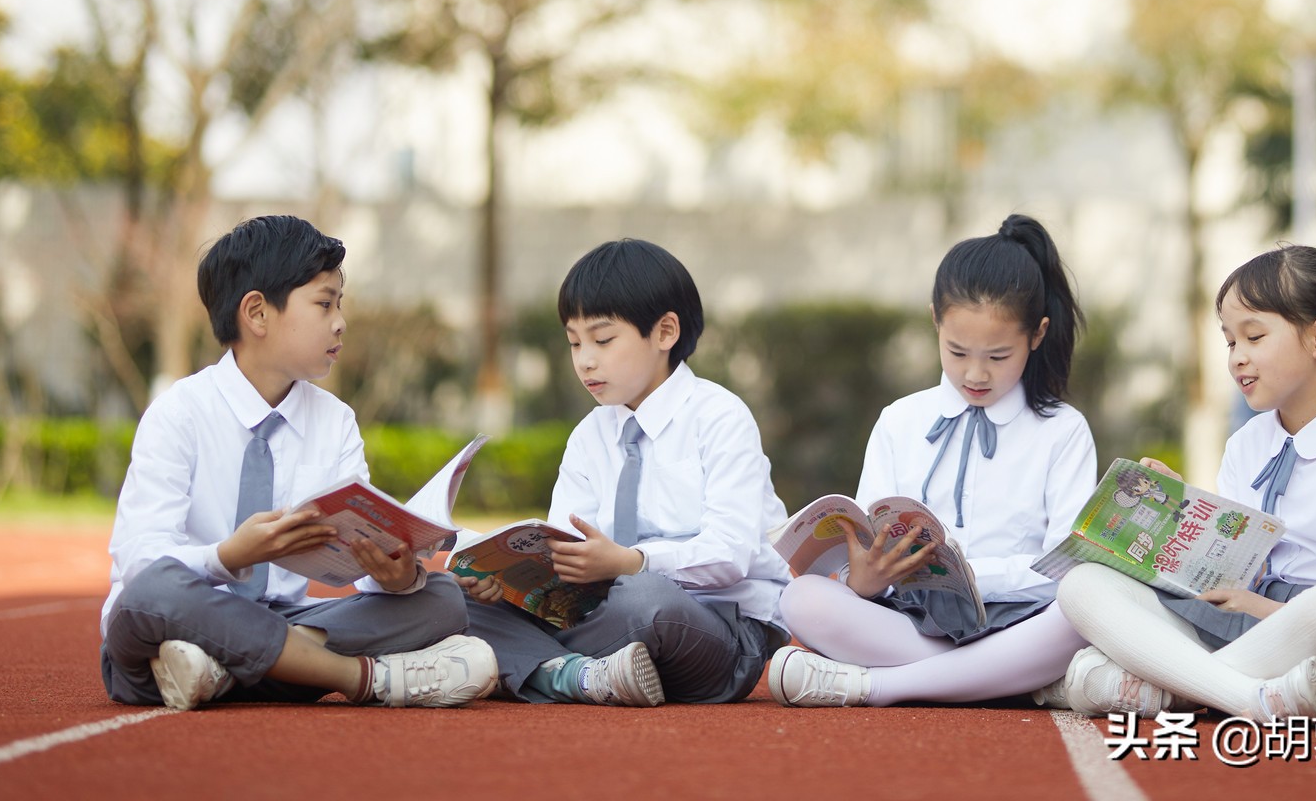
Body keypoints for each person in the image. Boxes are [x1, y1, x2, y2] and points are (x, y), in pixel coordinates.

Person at [99, 215, 497, 711]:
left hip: (281, 620)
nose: (340, 321)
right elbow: (141, 559)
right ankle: (360, 678)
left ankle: (219, 671)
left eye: (340, 304)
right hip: (175, 622)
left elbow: (356, 559)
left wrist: (394, 575)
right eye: (324, 303)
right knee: (150, 590)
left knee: (440, 599)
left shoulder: (335, 421)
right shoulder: (178, 413)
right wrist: (229, 556)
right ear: (258, 314)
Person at [1049, 246, 1316, 723]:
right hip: (1245, 630)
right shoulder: (1246, 445)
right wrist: (1178, 516)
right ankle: (1254, 698)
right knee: (1081, 584)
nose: (1237, 358)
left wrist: (1266, 609)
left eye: (1254, 337)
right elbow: (1230, 573)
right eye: (1230, 342)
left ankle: (1177, 689)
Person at [767, 213, 1098, 707]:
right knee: (800, 599)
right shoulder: (901, 420)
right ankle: (1000, 680)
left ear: (1037, 334)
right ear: (935, 322)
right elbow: (864, 539)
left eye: (999, 355)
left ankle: (878, 685)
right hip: (913, 619)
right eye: (957, 351)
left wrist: (975, 577)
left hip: (1019, 618)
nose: (976, 373)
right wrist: (864, 579)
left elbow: (1063, 569)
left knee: (1086, 606)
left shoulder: (1062, 429)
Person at [460, 238, 792, 705]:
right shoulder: (588, 437)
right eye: (574, 342)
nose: (585, 360)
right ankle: (577, 676)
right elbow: (561, 555)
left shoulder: (719, 417)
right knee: (456, 602)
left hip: (719, 631)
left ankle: (538, 667)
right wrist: (508, 583)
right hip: (605, 616)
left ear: (665, 332)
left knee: (643, 598)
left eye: (602, 339)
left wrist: (632, 563)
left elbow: (730, 555)